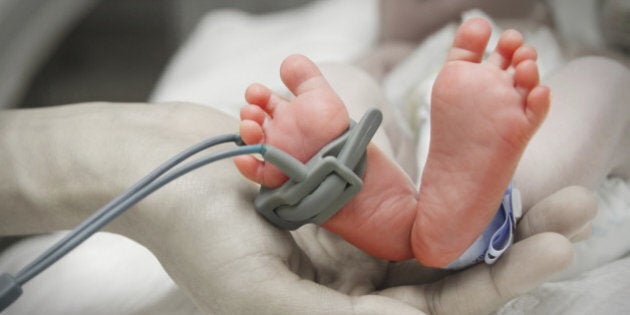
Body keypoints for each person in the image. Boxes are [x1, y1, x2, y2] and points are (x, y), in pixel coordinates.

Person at [0, 99, 596, 314]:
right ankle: (476, 215)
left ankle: (346, 169)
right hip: (431, 138)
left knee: (352, 78)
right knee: (600, 82)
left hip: (389, 140)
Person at [235, 17, 630, 268]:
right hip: (400, 161)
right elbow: (344, 84)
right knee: (338, 80)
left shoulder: (556, 38)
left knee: (604, 79)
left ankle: (481, 210)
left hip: (519, 142)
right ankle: (351, 169)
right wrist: (296, 118)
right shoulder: (394, 52)